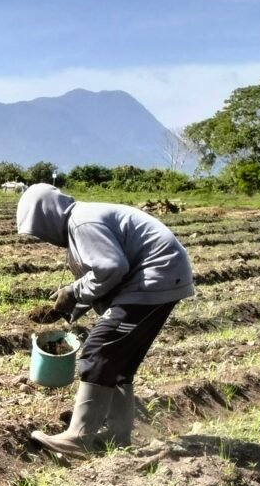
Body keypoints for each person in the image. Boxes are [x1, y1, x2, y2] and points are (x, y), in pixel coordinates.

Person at [17, 183, 194, 458]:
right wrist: (73, 307)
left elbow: (112, 267)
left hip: (153, 278)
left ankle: (78, 437)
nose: (45, 239)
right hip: (159, 277)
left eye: (41, 231)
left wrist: (72, 291)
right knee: (118, 362)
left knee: (99, 350)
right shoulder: (80, 220)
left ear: (47, 216)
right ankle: (117, 435)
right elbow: (105, 276)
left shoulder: (81, 222)